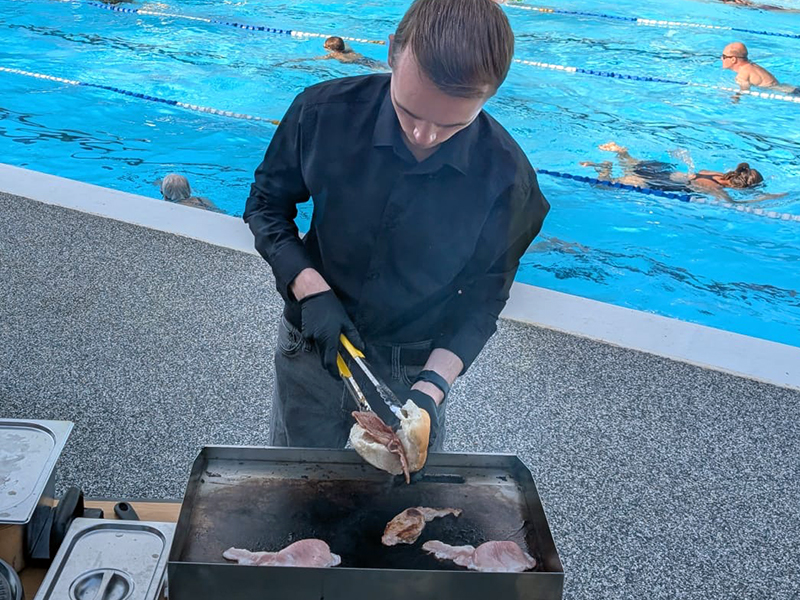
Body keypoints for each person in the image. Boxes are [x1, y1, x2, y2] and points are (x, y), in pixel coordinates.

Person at [244, 0, 549, 452]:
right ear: (390, 53)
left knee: (406, 508)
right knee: (295, 488)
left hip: (417, 367)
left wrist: (431, 390)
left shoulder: (508, 181)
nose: (423, 137)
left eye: (451, 124)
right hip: (313, 340)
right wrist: (311, 289)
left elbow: (483, 299)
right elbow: (266, 205)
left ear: (490, 94)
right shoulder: (321, 113)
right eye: (409, 111)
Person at [580, 142, 781, 202]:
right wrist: (765, 198)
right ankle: (604, 168)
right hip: (658, 183)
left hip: (662, 172)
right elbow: (733, 204)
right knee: (603, 188)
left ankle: (623, 152)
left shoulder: (714, 173)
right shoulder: (714, 187)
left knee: (634, 164)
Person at [721, 42, 799, 94]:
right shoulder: (752, 65)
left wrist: (735, 98)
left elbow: (745, 91)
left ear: (733, 59)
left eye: (724, 56)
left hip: (789, 93)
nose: (721, 59)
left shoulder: (742, 74)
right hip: (791, 88)